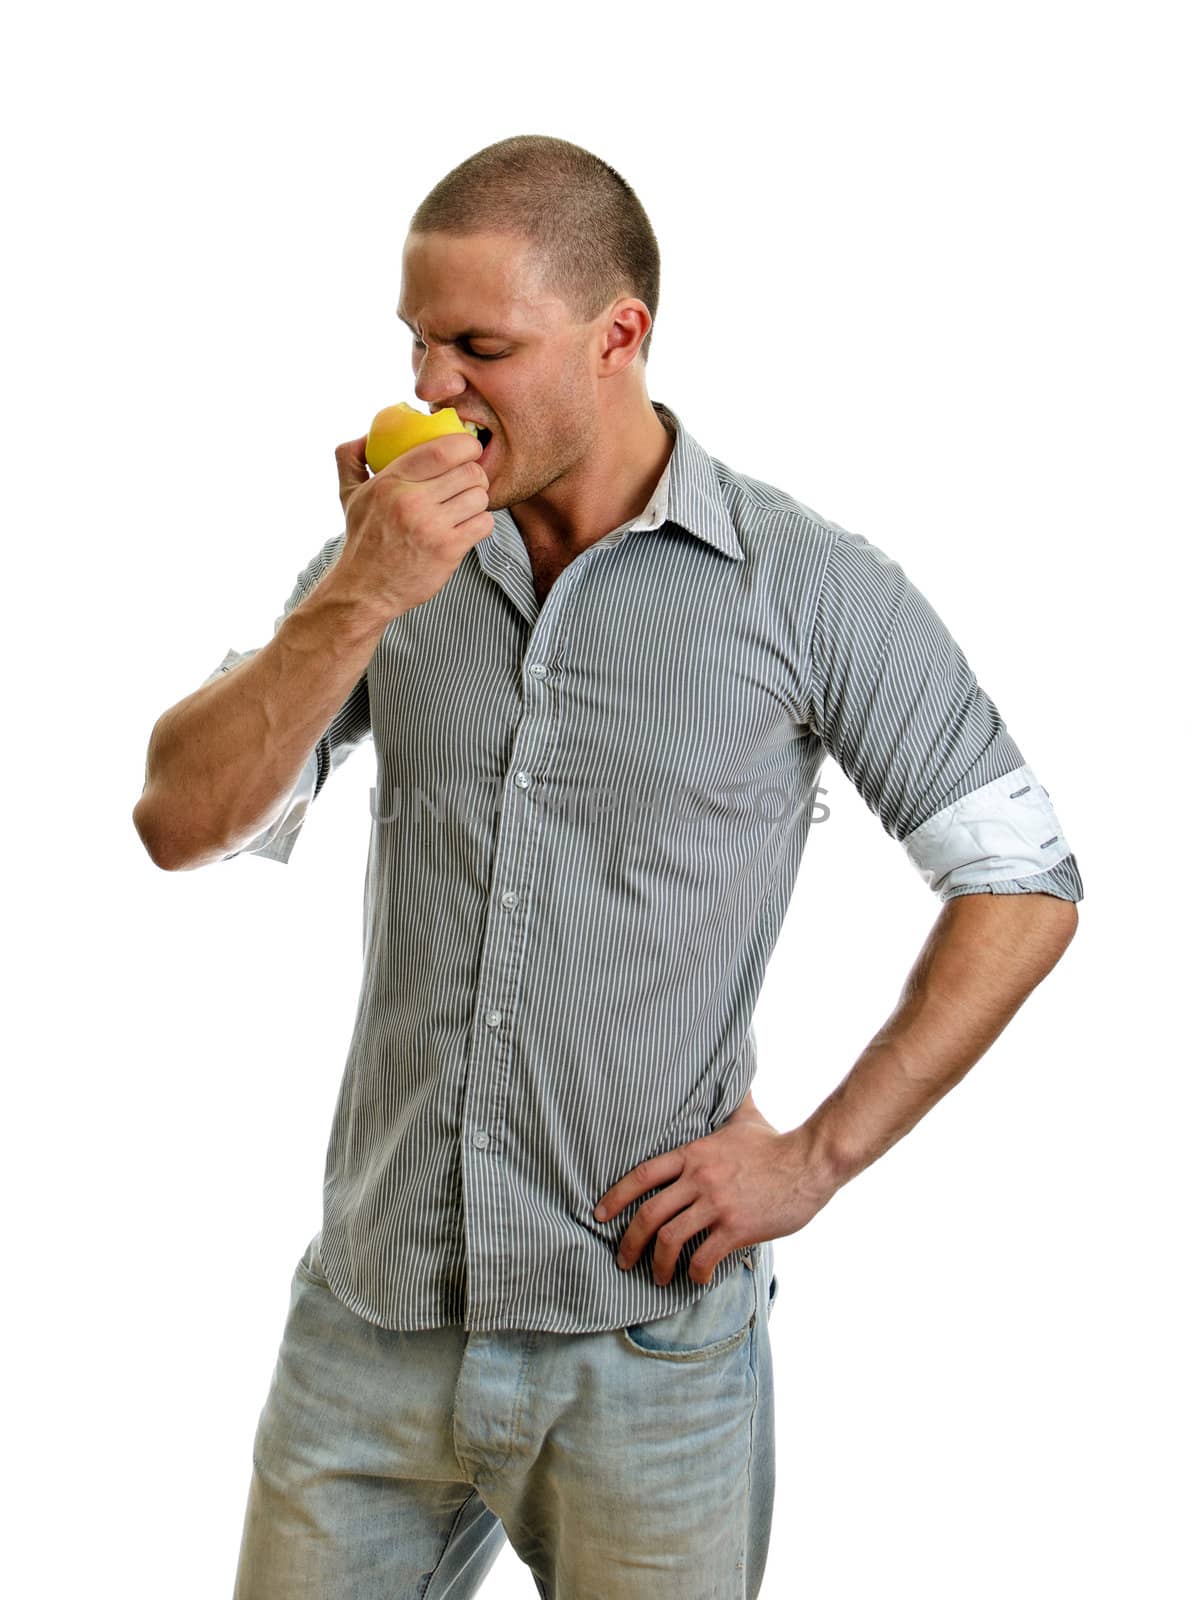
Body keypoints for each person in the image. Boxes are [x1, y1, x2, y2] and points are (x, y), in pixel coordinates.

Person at [132, 135, 1083, 1599]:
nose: (430, 388)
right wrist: (359, 597)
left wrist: (816, 1160)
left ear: (620, 336)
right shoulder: (390, 564)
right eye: (417, 343)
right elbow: (178, 821)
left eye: (478, 347)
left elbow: (1023, 875)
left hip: (646, 1349)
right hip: (369, 1330)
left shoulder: (809, 585)